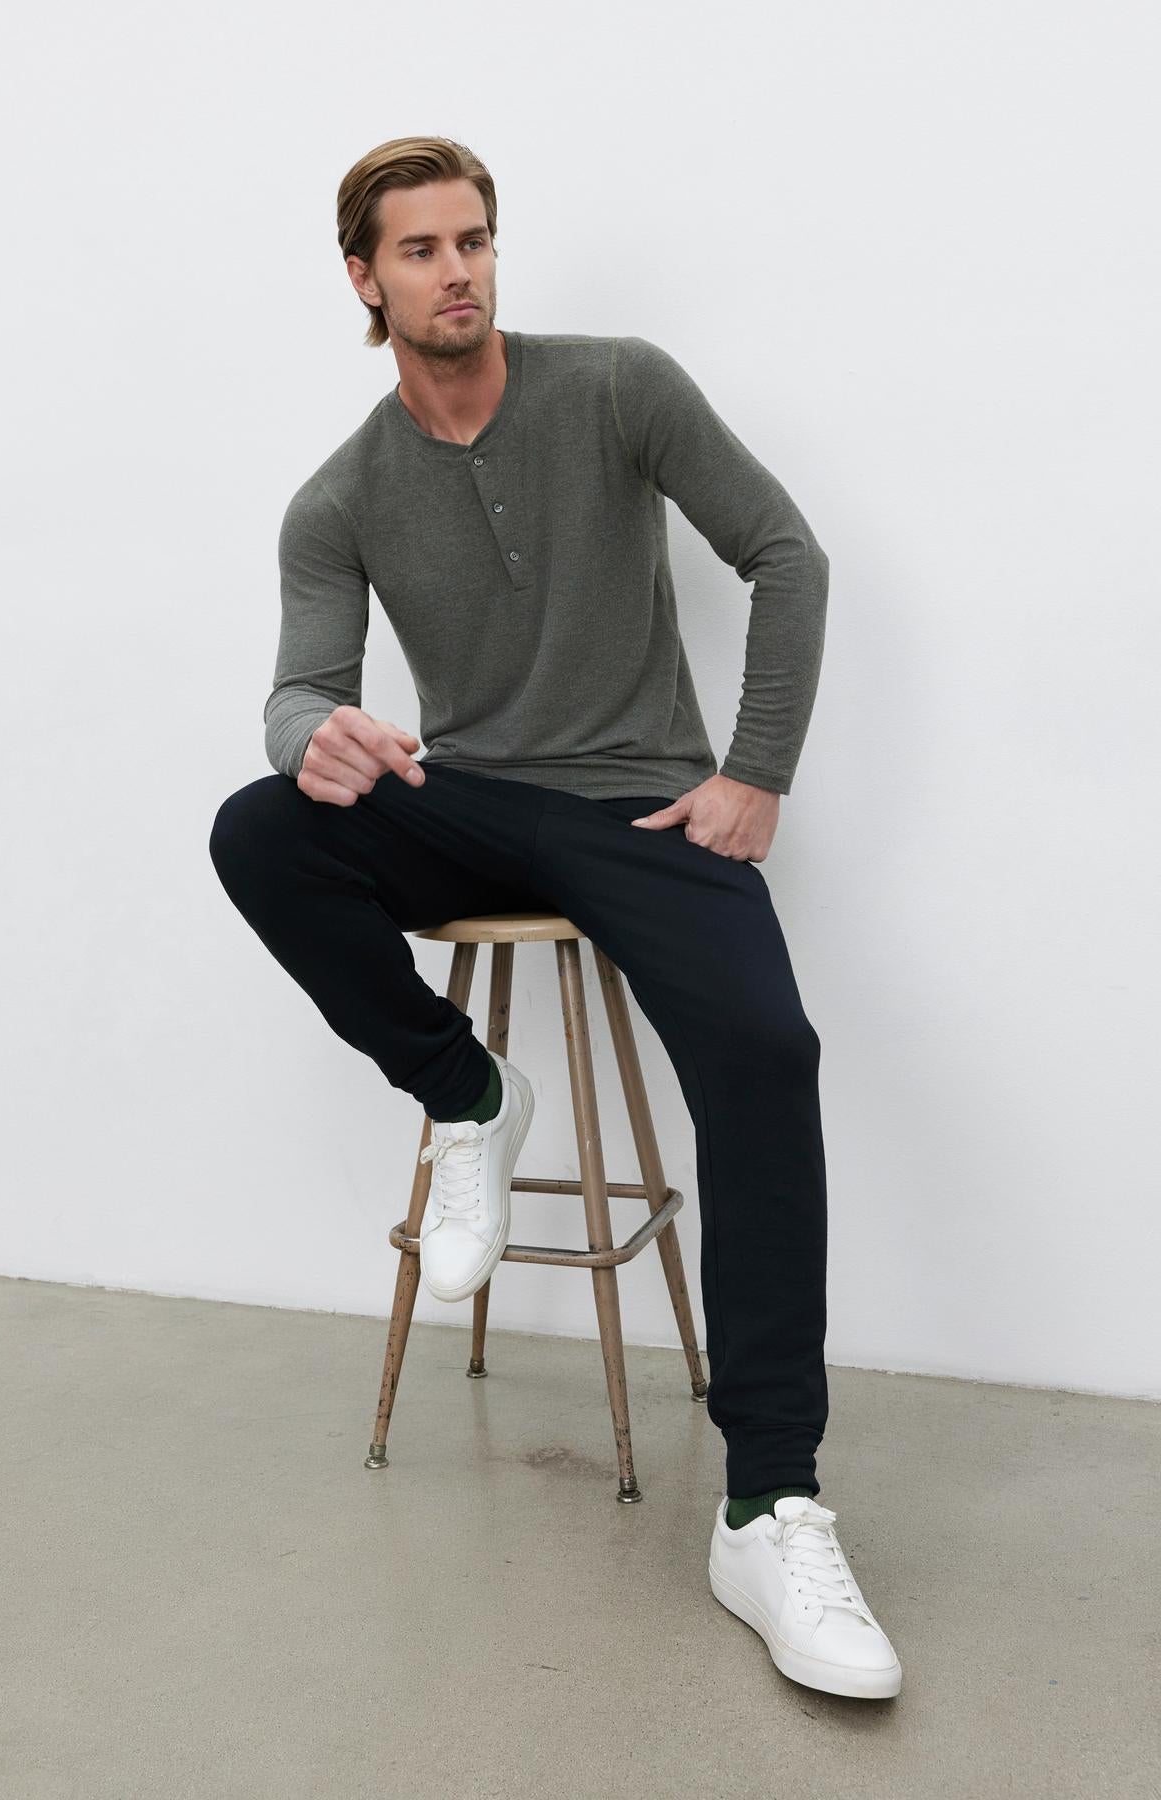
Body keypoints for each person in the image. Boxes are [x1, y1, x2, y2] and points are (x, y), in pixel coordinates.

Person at [208, 134, 902, 1702]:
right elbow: (300, 686)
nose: (457, 272)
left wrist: (756, 775)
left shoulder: (617, 388)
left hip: (647, 807)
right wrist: (312, 735)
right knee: (262, 828)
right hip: (475, 803)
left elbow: (785, 556)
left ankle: (769, 1498)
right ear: (363, 281)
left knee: (763, 1050)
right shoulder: (339, 498)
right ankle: (469, 1091)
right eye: (422, 251)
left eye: (475, 242)